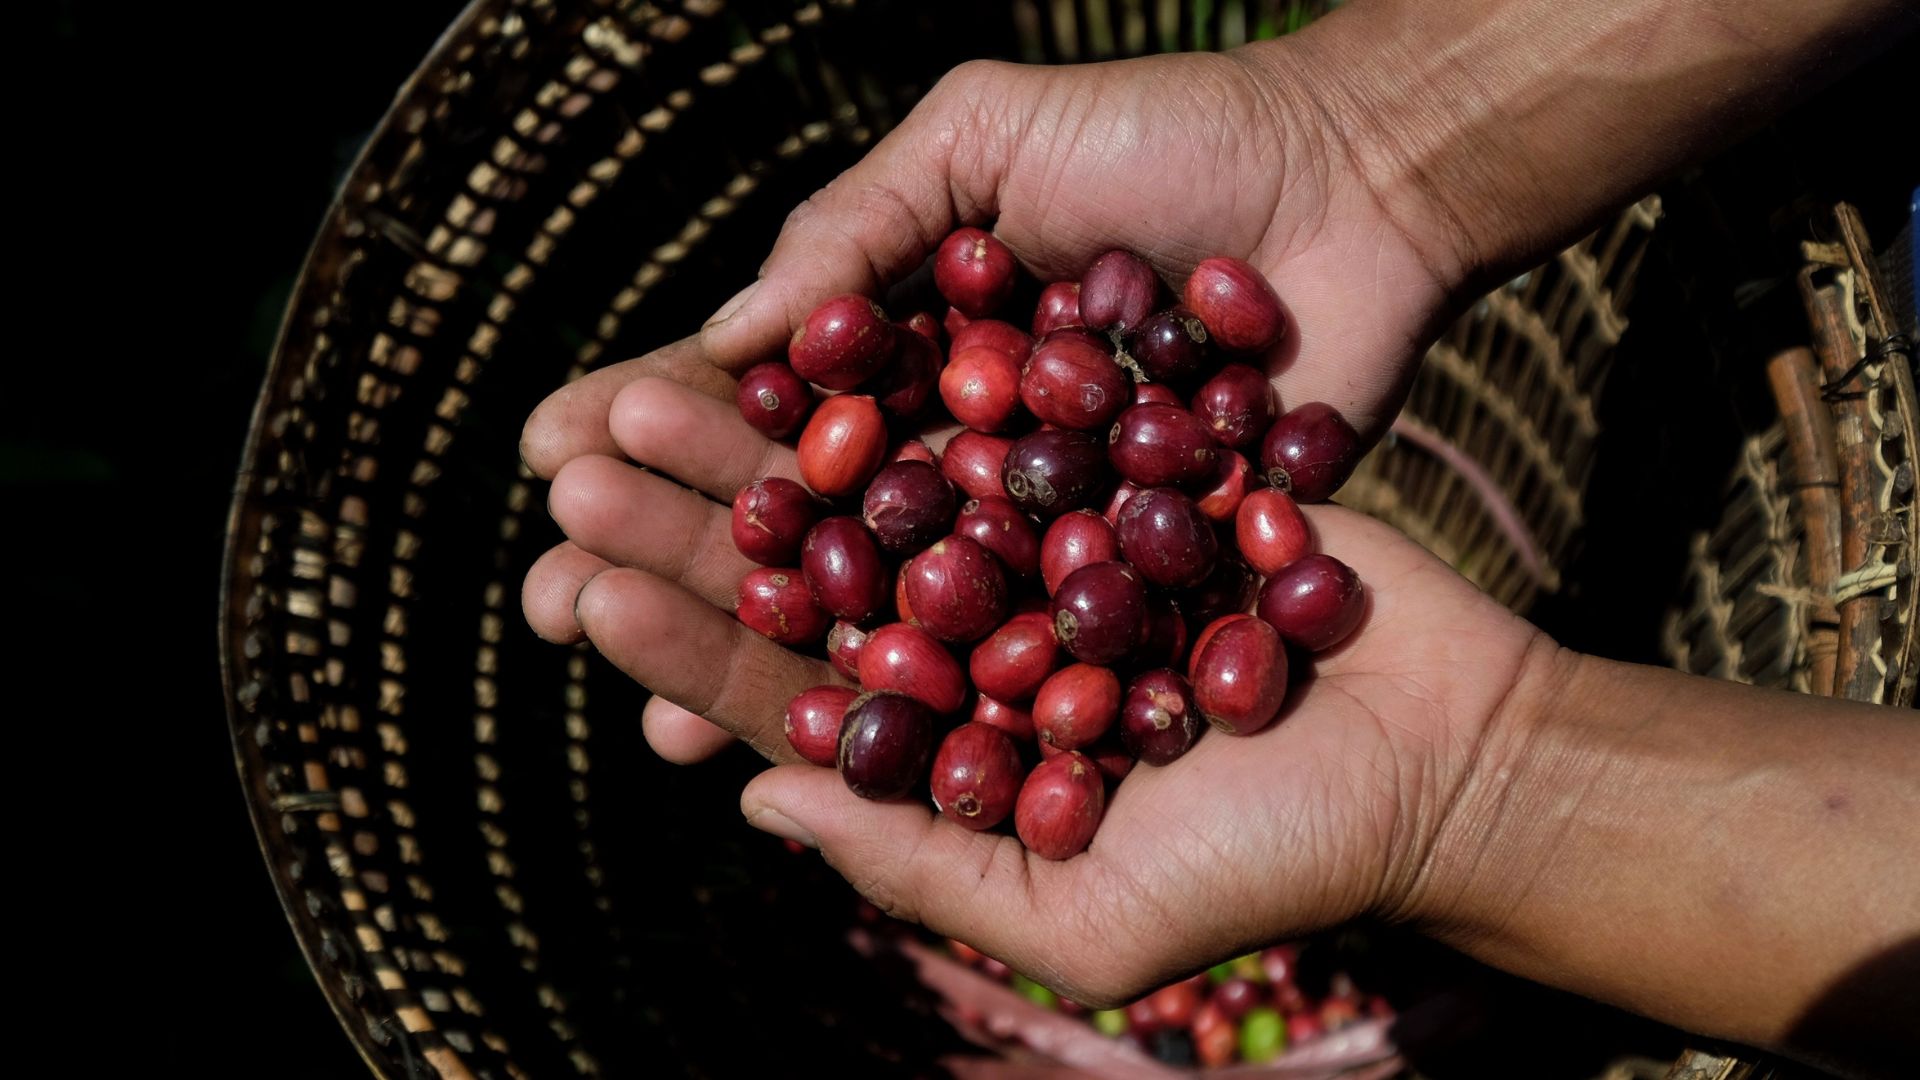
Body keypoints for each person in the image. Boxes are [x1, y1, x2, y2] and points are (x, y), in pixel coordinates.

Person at [517, 0, 1919, 1074]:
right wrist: (1361, 143)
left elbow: (1064, 524)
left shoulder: (1091, 505)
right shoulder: (1028, 523)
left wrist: (1484, 795)